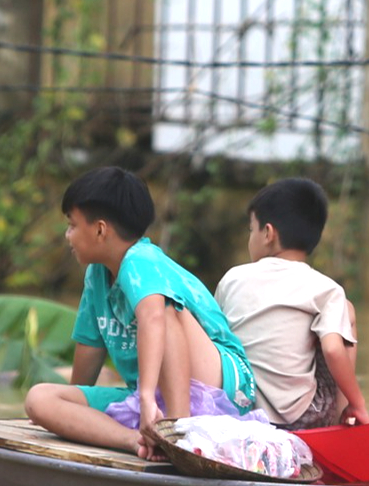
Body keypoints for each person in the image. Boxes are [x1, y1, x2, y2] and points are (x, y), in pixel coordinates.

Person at [25, 166, 258, 459]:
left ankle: (181, 431)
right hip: (148, 396)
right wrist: (69, 410)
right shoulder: (96, 276)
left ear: (99, 229)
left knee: (164, 308)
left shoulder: (141, 259)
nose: (68, 235)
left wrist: (147, 395)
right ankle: (135, 441)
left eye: (72, 225)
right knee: (39, 398)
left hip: (219, 384)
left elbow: (154, 318)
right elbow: (88, 352)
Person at [214, 177, 369, 430]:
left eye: (250, 230)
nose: (250, 238)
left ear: (268, 233)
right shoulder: (326, 289)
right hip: (300, 419)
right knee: (346, 312)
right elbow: (332, 350)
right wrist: (359, 402)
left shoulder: (231, 279)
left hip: (239, 409)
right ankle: (342, 422)